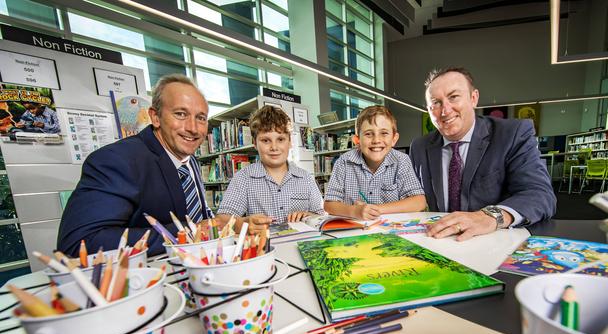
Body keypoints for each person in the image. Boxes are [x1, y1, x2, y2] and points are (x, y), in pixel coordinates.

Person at [57, 74, 213, 256]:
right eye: (180, 114)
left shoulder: (189, 159)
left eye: (201, 118)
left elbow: (192, 214)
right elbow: (80, 242)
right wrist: (189, 232)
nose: (193, 128)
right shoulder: (117, 160)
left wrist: (219, 224)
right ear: (155, 117)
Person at [410, 67, 555, 240]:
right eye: (436, 102)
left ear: (473, 98)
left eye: (453, 97)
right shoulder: (419, 147)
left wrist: (490, 216)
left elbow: (539, 194)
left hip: (493, 244)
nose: (445, 110)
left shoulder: (512, 134)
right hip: (438, 243)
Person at [216, 105, 325, 234]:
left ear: (290, 142)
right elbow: (220, 221)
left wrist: (309, 216)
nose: (274, 147)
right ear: (255, 143)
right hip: (265, 248)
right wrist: (243, 224)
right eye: (266, 140)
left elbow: (322, 216)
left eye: (280, 139)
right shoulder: (243, 178)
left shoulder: (306, 178)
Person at [324, 105, 426, 219]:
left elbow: (419, 202)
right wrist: (354, 211)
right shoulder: (343, 162)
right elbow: (329, 204)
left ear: (394, 139)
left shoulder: (401, 160)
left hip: (390, 229)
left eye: (384, 133)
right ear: (357, 140)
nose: (376, 140)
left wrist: (375, 209)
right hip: (355, 229)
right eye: (368, 134)